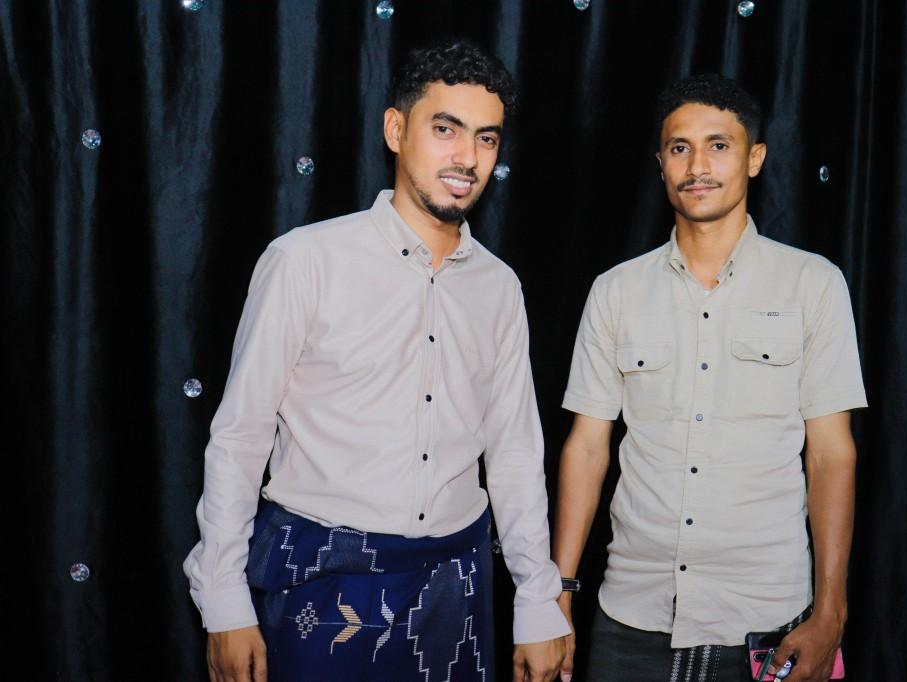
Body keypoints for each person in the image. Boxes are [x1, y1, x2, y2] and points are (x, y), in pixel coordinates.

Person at [183, 40, 569, 682]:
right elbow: (241, 435)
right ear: (396, 129)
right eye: (445, 130)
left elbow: (515, 452)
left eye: (486, 138)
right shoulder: (305, 261)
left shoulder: (500, 287)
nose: (467, 157)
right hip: (320, 576)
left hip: (455, 580)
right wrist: (222, 598)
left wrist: (536, 598)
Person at [552, 74, 867, 682]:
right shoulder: (616, 291)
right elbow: (587, 447)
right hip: (632, 614)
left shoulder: (813, 284)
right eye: (680, 148)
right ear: (661, 164)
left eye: (719, 145)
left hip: (768, 618)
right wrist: (559, 593)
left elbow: (832, 454)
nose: (698, 166)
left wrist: (831, 609)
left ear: (755, 158)